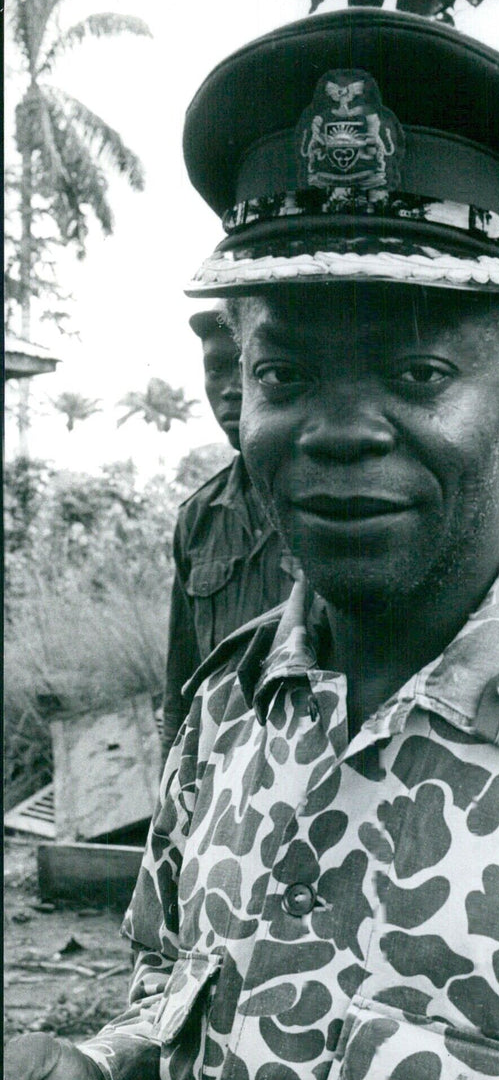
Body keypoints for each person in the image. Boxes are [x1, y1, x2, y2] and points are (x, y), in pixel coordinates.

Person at [6, 7, 499, 1080]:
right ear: (234, 385)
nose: (338, 431)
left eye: (417, 373)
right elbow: (180, 990)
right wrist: (104, 1069)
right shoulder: (229, 710)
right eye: (285, 375)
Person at [161, 304, 295, 760]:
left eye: (250, 367)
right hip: (218, 780)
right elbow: (180, 687)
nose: (232, 389)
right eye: (217, 368)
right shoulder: (198, 519)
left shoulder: (340, 505)